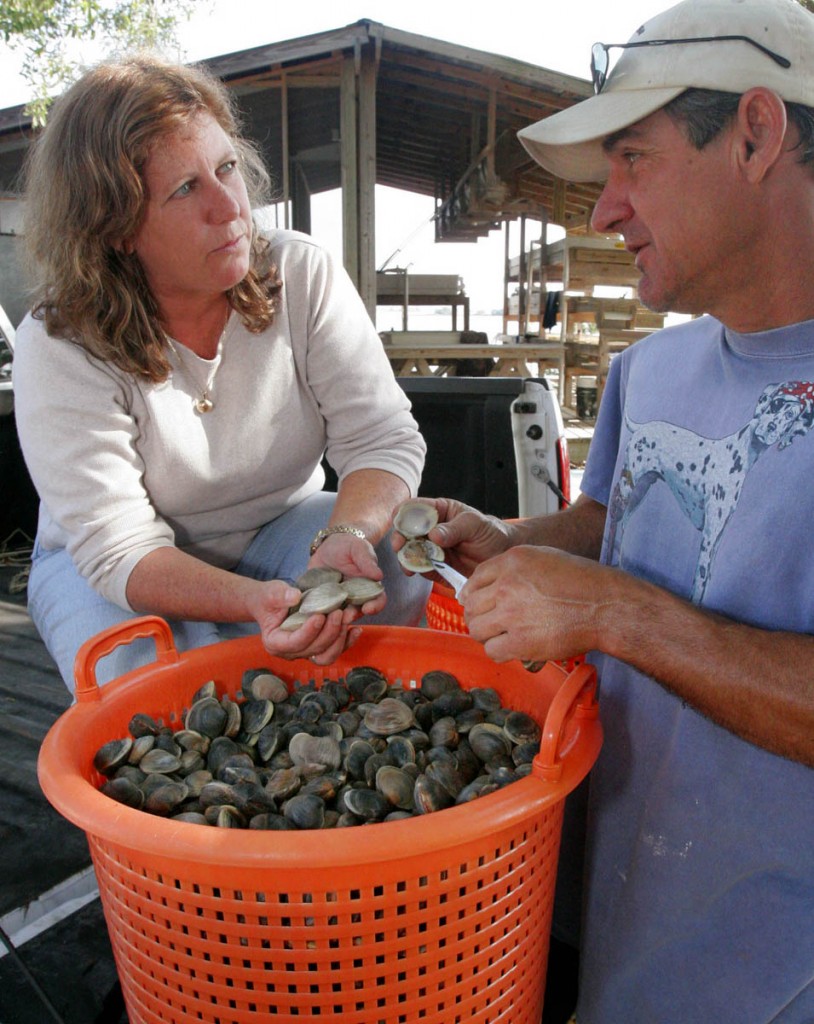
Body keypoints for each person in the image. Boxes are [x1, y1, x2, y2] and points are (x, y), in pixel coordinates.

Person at [395, 0, 814, 1020]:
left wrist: (609, 611)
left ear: (755, 132)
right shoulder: (648, 369)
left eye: (632, 158)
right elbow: (616, 523)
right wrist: (511, 541)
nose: (602, 211)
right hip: (621, 915)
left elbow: (616, 594)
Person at [13, 54, 430, 692]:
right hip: (109, 563)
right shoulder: (62, 341)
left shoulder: (300, 273)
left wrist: (346, 533)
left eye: (227, 168)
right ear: (115, 226)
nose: (230, 207)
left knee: (395, 567)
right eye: (185, 189)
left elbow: (380, 437)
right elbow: (118, 547)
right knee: (146, 687)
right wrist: (256, 603)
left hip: (282, 526)